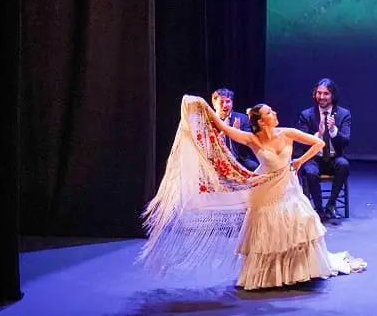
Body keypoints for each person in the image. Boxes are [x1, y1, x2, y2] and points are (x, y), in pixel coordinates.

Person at [137, 95, 365, 289]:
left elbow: (319, 144)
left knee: (296, 222)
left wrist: (298, 162)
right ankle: (268, 276)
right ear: (261, 120)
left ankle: (296, 271)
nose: (274, 113)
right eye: (269, 112)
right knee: (267, 228)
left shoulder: (287, 133)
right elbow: (222, 127)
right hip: (264, 187)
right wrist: (204, 107)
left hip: (286, 185)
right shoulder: (252, 139)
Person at [296, 78, 352, 220]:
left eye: (326, 94)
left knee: (344, 165)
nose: (321, 97)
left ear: (332, 95)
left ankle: (331, 205)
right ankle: (319, 210)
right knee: (310, 172)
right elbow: (301, 143)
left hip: (334, 157)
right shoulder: (306, 115)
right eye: (319, 93)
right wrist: (318, 135)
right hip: (314, 158)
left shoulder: (343, 114)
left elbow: (345, 142)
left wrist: (333, 130)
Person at [211, 87, 258, 171]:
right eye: (221, 102)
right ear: (214, 105)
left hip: (240, 159)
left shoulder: (242, 118)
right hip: (218, 160)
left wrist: (237, 133)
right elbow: (210, 146)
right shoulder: (210, 120)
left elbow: (249, 142)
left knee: (256, 167)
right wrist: (225, 131)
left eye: (228, 101)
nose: (225, 105)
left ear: (232, 103)